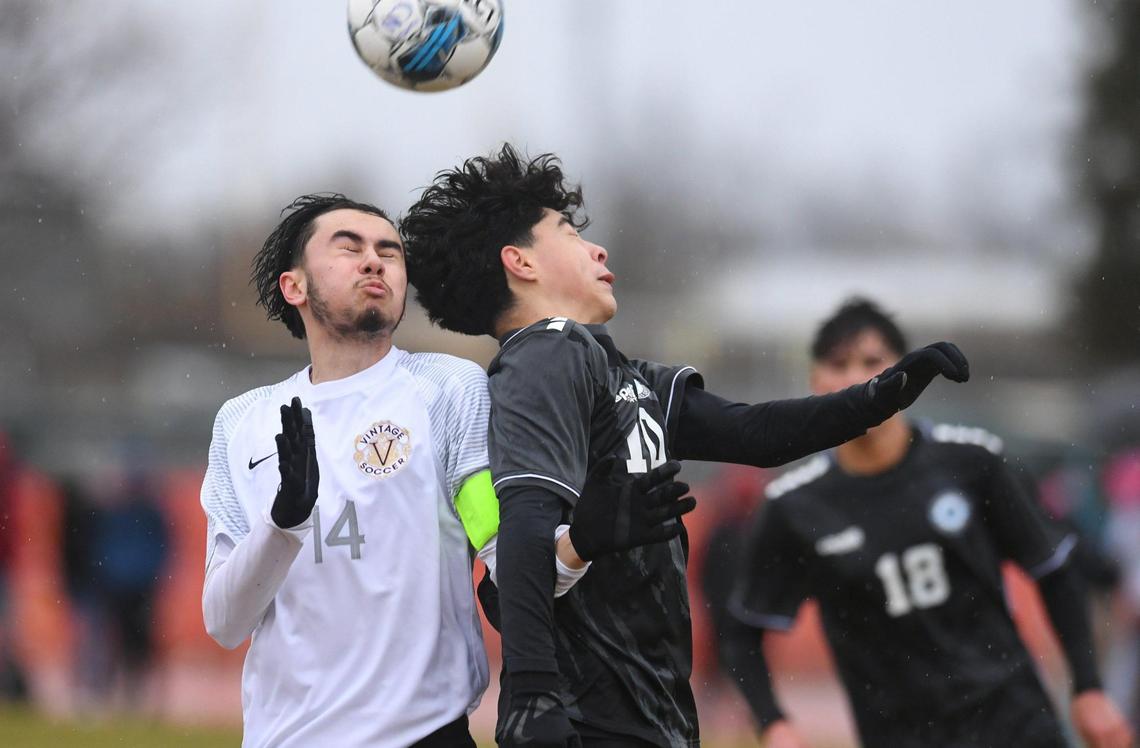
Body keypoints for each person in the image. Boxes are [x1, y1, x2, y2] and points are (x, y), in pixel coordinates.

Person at [400, 145, 970, 747]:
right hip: (587, 719)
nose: (597, 248)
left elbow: (757, 434)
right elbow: (521, 535)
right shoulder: (544, 354)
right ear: (519, 262)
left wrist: (875, 400)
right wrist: (536, 690)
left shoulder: (612, 370)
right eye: (567, 232)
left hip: (645, 709)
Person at [199, 194, 687, 747]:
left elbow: (506, 558)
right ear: (295, 287)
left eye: (389, 251)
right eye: (349, 247)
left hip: (425, 735)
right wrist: (282, 525)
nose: (374, 261)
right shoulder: (242, 423)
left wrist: (581, 541)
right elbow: (224, 621)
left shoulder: (449, 390)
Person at [722, 298, 1135, 748]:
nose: (857, 378)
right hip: (899, 735)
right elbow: (742, 630)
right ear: (815, 380)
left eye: (873, 362)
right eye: (838, 364)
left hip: (1011, 720)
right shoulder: (794, 504)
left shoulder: (972, 461)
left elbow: (1053, 570)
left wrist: (1089, 687)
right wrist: (774, 723)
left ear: (904, 373)